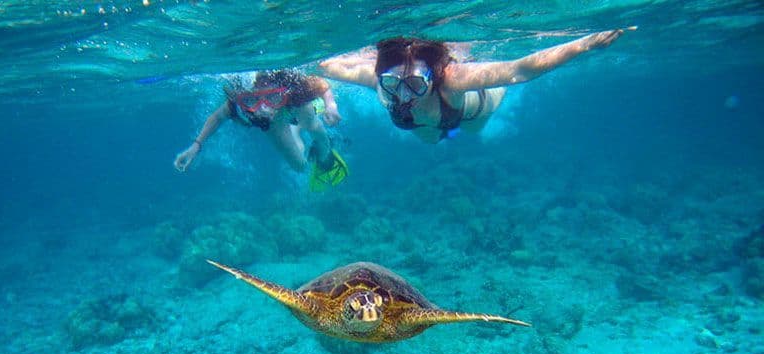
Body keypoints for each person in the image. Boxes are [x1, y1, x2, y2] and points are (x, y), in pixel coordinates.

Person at [319, 30, 630, 143]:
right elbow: (328, 66)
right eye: (391, 84)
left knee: (472, 130)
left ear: (431, 77)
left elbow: (519, 70)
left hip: (471, 111)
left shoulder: (453, 78)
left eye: (414, 84)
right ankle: (445, 135)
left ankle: (453, 131)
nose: (402, 95)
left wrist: (584, 45)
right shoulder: (376, 81)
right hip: (426, 124)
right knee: (428, 140)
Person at [174, 69, 349, 190]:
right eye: (251, 101)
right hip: (276, 123)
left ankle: (323, 150)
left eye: (272, 97)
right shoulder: (239, 102)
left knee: (312, 125)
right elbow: (218, 117)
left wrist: (331, 106)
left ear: (281, 91)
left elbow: (322, 85)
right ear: (243, 99)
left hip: (293, 105)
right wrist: (196, 146)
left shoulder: (294, 86)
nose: (262, 109)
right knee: (299, 166)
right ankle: (295, 129)